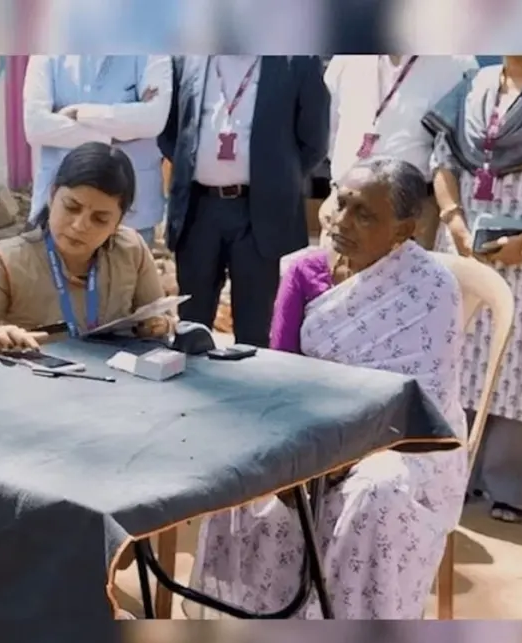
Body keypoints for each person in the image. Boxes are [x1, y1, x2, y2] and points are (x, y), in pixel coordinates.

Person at [190, 158, 468, 619]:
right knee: (239, 465)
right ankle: (253, 621)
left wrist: (346, 456)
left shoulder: (432, 287)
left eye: (364, 215)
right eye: (341, 203)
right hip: (311, 429)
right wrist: (309, 452)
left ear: (404, 231)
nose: (341, 221)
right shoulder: (304, 271)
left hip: (402, 441)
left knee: (376, 494)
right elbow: (281, 373)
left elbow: (426, 405)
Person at [424, 55, 522, 523]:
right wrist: (454, 222)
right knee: (459, 355)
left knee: (521, 363)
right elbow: (442, 160)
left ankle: (507, 487)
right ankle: (453, 472)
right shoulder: (473, 86)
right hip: (465, 243)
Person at [0, 142, 175, 365]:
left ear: (118, 222)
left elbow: (158, 322)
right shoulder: (6, 264)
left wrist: (157, 326)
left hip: (117, 385)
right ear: (51, 196)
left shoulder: (130, 251)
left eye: (100, 219)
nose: (79, 226)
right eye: (71, 207)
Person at [158, 56, 330, 347]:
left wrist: (274, 179)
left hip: (262, 213)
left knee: (255, 329)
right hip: (198, 209)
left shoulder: (297, 62)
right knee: (191, 325)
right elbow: (170, 133)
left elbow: (313, 142)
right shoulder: (187, 59)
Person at [322, 55, 478, 249]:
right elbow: (329, 133)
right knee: (334, 268)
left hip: (411, 213)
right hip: (343, 204)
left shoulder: (457, 64)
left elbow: (455, 152)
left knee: (409, 269)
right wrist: (335, 189)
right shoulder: (346, 58)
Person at [23, 55, 172, 247]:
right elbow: (36, 126)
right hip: (61, 210)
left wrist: (81, 113)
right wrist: (115, 136)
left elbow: (152, 121)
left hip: (131, 215)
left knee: (127, 266)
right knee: (48, 266)